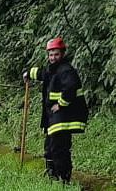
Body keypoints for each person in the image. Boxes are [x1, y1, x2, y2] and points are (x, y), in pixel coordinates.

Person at [23, 38, 88, 183]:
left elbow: (71, 88)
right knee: (49, 148)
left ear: (62, 54)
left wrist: (61, 104)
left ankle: (64, 180)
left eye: (56, 54)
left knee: (59, 150)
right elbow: (42, 74)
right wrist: (28, 73)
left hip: (64, 118)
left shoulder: (66, 70)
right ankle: (52, 176)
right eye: (51, 55)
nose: (53, 58)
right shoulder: (53, 69)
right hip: (54, 118)